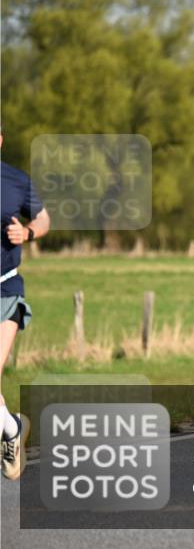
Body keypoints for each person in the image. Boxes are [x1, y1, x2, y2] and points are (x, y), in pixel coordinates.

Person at [1, 130, 50, 479]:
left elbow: (44, 217)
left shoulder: (16, 180)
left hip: (5, 290)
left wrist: (28, 233)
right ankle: (11, 429)